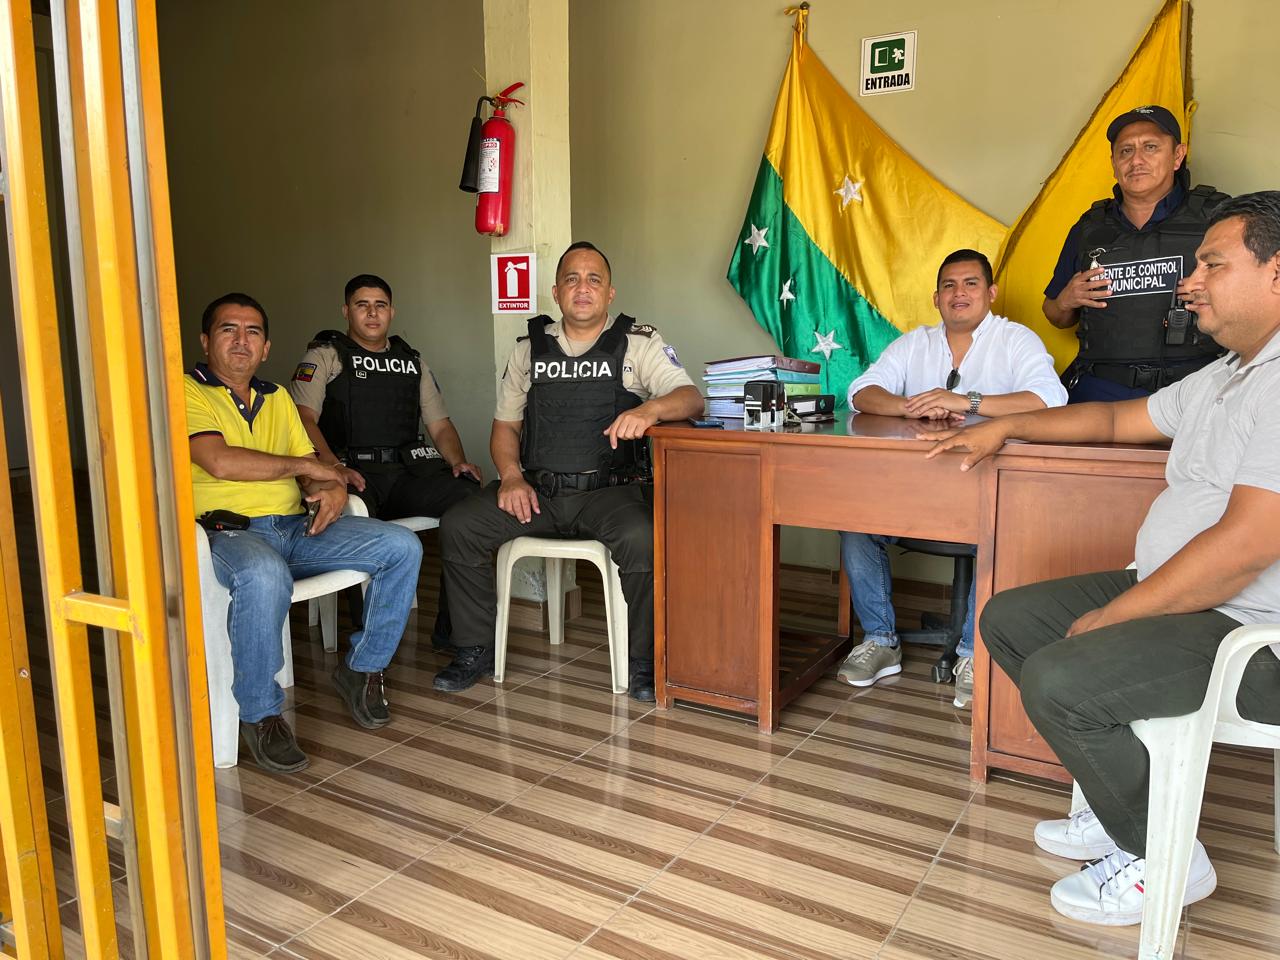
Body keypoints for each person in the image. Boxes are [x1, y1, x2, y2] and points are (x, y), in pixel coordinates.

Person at [923, 192, 1280, 924]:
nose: (1190, 282)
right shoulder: (1232, 372)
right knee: (1012, 620)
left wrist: (1117, 615)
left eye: (1212, 265)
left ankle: (1167, 855)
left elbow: (1247, 547)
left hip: (1253, 635)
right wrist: (1002, 424)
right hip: (1187, 595)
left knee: (1061, 678)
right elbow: (1118, 418)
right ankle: (1119, 805)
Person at [435, 241, 703, 701]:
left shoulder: (639, 344)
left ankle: (645, 661)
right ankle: (474, 649)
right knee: (460, 525)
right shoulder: (529, 351)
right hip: (537, 492)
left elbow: (692, 399)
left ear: (610, 293)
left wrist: (650, 410)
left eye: (594, 279)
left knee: (643, 537)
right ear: (557, 292)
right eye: (572, 279)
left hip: (609, 494)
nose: (583, 288)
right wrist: (511, 475)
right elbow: (505, 427)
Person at [188, 292, 422, 773]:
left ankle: (361, 669)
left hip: (295, 527)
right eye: (229, 330)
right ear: (206, 341)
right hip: (227, 535)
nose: (241, 341)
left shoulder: (276, 398)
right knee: (265, 574)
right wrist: (309, 469)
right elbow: (219, 460)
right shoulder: (186, 391)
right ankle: (260, 714)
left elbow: (313, 467)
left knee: (401, 545)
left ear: (266, 347)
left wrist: (330, 488)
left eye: (253, 332)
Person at [838, 249, 1067, 706]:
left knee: (1004, 528)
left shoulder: (1015, 339)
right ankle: (881, 640)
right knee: (853, 518)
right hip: (917, 489)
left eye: (970, 284)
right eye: (949, 285)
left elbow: (1050, 399)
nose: (958, 293)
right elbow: (860, 391)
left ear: (991, 293)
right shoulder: (914, 343)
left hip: (988, 491)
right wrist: (911, 406)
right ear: (936, 298)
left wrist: (966, 402)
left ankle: (971, 652)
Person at [289, 274, 481, 648]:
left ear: (392, 312)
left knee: (469, 497)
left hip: (406, 473)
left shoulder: (412, 361)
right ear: (346, 311)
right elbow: (302, 418)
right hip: (354, 472)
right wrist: (332, 468)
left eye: (380, 305)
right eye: (362, 305)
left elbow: (439, 424)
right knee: (354, 514)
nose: (372, 313)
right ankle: (368, 642)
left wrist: (458, 461)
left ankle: (453, 629)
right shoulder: (326, 356)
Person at [1043, 105, 1229, 403]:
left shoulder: (1218, 217)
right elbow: (1055, 314)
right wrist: (1066, 300)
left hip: (1195, 386)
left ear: (1177, 156)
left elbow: (1262, 296)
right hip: (1102, 387)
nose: (1137, 160)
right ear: (1114, 164)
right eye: (1126, 151)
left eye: (1150, 147)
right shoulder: (1090, 227)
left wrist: (1216, 294)